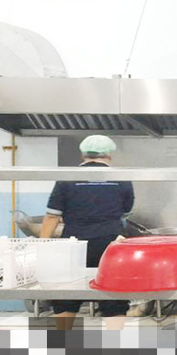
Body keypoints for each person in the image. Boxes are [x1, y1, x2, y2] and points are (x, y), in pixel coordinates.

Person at [40, 135, 134, 330]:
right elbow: (125, 211)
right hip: (110, 244)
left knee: (67, 293)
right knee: (113, 295)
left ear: (83, 154)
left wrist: (41, 246)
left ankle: (64, 340)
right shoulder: (121, 178)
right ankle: (115, 341)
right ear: (109, 154)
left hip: (74, 244)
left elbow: (52, 216)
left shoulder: (67, 179)